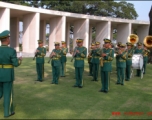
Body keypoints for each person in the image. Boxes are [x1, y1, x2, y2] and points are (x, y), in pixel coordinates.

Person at [0, 30, 22, 117]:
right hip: (8, 75)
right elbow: (16, 64)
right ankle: (7, 112)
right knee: (8, 94)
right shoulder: (11, 50)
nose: (9, 39)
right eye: (8, 38)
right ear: (6, 39)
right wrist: (20, 60)